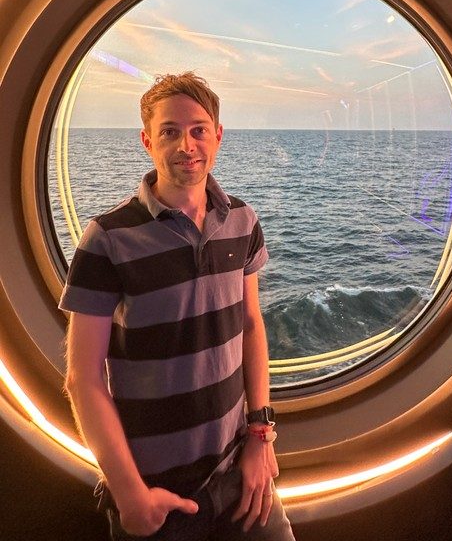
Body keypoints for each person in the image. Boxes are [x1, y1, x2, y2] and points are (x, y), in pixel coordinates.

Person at [60, 72, 295, 540]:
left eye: (198, 129)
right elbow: (82, 378)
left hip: (238, 474)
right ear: (148, 141)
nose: (186, 144)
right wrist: (131, 496)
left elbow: (250, 326)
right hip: (155, 492)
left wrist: (260, 435)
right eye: (169, 131)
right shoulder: (107, 239)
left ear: (218, 136)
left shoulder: (242, 221)